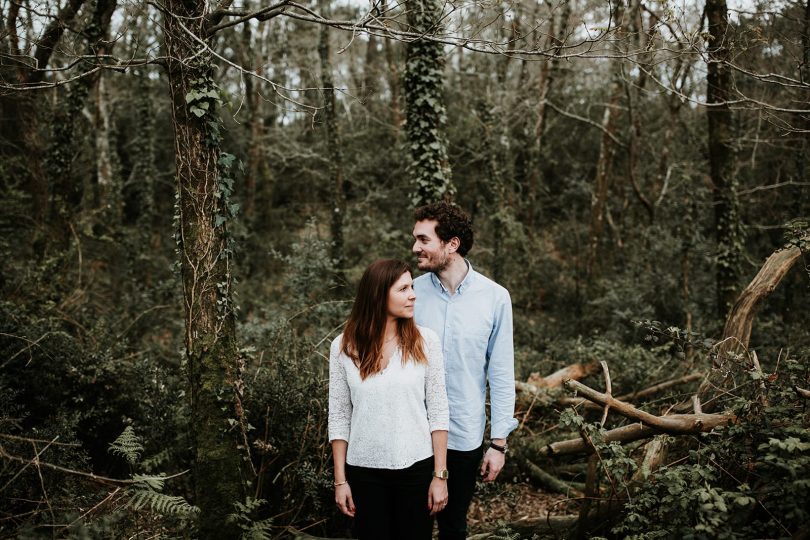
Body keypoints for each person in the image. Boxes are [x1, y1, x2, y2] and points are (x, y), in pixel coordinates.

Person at [411, 202, 518, 540]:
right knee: (411, 527)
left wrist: (498, 443)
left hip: (463, 435)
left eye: (424, 239)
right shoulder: (410, 293)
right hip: (413, 434)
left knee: (453, 526)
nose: (415, 247)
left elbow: (501, 373)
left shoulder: (495, 298)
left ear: (451, 245)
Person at [328, 259, 450, 540]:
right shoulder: (343, 346)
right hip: (364, 473)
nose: (413, 294)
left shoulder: (425, 341)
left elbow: (439, 411)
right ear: (378, 294)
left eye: (412, 287)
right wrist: (340, 481)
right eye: (403, 288)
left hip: (416, 468)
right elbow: (338, 416)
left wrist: (439, 476)